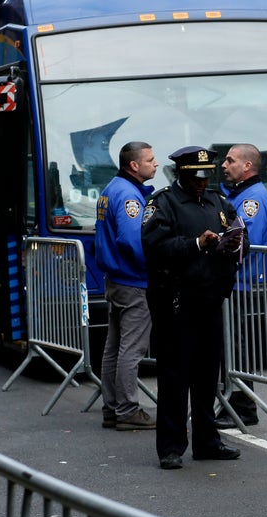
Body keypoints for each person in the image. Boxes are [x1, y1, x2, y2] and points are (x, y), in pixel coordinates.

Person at [142, 145, 249, 470]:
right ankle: (171, 447)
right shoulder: (163, 203)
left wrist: (235, 241)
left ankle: (207, 441)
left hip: (210, 299)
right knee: (175, 376)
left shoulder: (217, 201)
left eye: (206, 176)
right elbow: (154, 246)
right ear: (182, 175)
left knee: (207, 376)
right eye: (196, 177)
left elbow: (240, 229)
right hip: (177, 303)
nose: (202, 182)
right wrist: (196, 244)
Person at [95, 141, 158, 431]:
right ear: (134, 165)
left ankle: (112, 407)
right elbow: (132, 240)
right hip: (133, 280)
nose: (155, 164)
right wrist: (155, 267)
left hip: (116, 279)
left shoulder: (112, 189)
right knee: (131, 349)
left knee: (115, 346)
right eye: (150, 159)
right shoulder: (129, 196)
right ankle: (127, 410)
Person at [215, 143, 267, 429]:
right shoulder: (239, 194)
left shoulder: (253, 198)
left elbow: (242, 242)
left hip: (239, 283)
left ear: (247, 166)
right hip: (230, 282)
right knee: (228, 346)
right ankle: (230, 401)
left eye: (230, 160)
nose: (224, 165)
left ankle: (242, 407)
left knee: (236, 348)